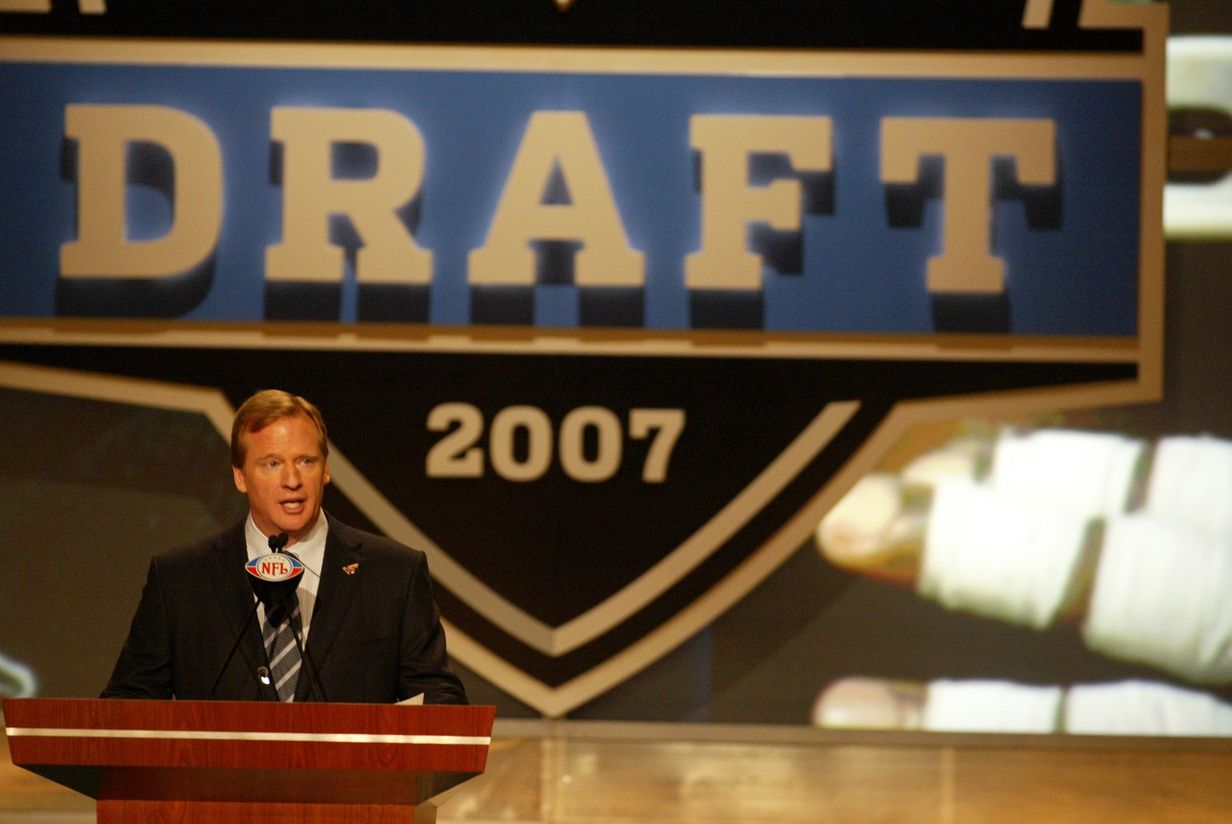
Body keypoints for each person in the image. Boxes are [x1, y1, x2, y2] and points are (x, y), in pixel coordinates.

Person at [102, 389, 468, 704]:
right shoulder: (181, 580)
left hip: (348, 784)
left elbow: (439, 699)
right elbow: (127, 705)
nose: (292, 480)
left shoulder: (393, 574)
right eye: (272, 463)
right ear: (240, 476)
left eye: (306, 461)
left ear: (325, 470)